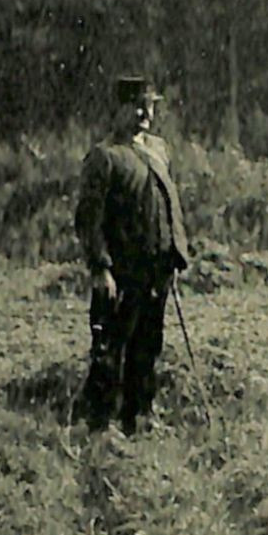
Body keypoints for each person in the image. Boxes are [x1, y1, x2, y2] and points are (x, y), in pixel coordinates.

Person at [74, 76, 190, 435]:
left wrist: (176, 255)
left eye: (150, 105)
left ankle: (140, 417)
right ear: (118, 109)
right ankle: (99, 423)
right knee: (111, 350)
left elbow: (170, 206)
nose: (144, 113)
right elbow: (88, 221)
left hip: (156, 270)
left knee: (147, 347)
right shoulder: (105, 157)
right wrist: (100, 269)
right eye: (136, 105)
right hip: (121, 274)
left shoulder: (159, 150)